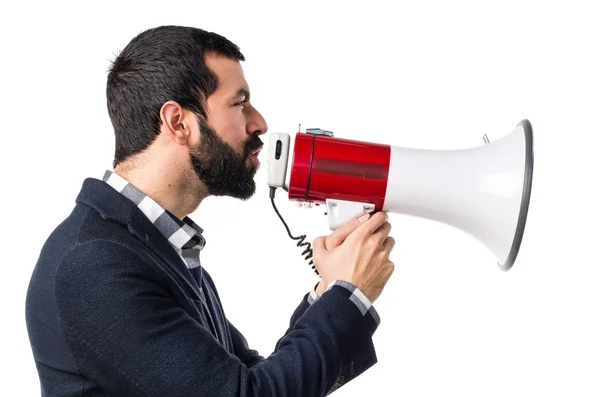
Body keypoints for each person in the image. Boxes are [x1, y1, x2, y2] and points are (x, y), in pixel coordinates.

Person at [25, 25, 395, 396]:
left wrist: (331, 289)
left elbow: (248, 377)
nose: (259, 122)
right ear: (177, 122)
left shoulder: (155, 245)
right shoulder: (95, 263)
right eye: (239, 103)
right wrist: (351, 293)